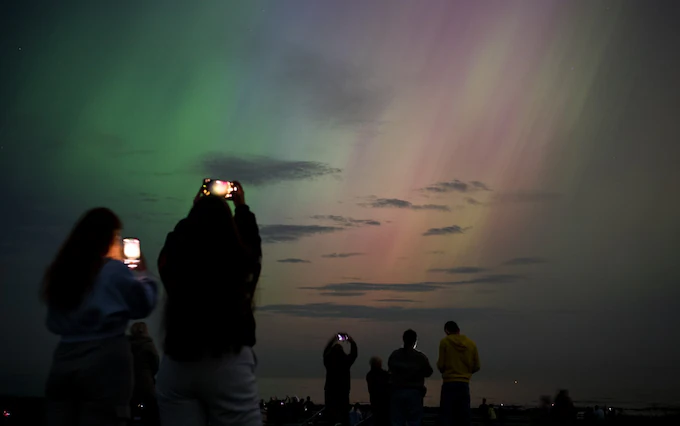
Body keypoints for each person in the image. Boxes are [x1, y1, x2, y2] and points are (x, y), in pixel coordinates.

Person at [155, 181, 263, 426]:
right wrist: (241, 207)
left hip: (178, 361)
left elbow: (168, 254)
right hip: (229, 360)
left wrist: (194, 212)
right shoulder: (241, 265)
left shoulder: (177, 267)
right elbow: (253, 248)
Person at [43, 208, 158, 426]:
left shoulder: (62, 272)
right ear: (108, 238)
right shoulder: (113, 271)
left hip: (63, 360)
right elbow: (142, 305)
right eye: (116, 237)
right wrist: (142, 273)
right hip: (105, 363)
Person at [437, 321, 480, 426]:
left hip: (449, 383)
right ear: (458, 330)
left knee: (447, 415)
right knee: (464, 417)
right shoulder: (471, 344)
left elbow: (441, 365)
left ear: (446, 331)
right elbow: (477, 366)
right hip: (464, 384)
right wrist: (466, 372)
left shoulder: (445, 342)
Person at [388, 329, 433, 426]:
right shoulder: (420, 357)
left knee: (397, 421)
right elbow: (429, 372)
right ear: (415, 341)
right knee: (414, 422)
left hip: (397, 392)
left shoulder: (395, 355)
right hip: (414, 392)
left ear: (403, 339)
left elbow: (390, 368)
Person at [129, 321, 160, 425]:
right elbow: (155, 364)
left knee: (136, 409)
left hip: (131, 385)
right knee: (151, 410)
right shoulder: (148, 345)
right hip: (146, 384)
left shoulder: (127, 346)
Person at [324, 333, 358, 426]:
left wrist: (333, 339)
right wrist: (351, 341)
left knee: (331, 416)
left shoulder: (328, 361)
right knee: (344, 416)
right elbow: (354, 354)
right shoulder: (346, 361)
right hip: (343, 391)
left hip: (330, 391)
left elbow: (326, 351)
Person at [366, 356, 390, 426]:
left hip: (374, 401)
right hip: (383, 402)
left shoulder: (369, 375)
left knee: (377, 420)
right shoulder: (383, 374)